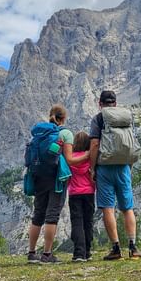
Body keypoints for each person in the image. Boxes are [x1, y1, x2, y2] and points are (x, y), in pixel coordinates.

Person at [27, 104, 89, 264]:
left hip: (38, 178)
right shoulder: (65, 133)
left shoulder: (38, 134)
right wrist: (88, 155)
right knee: (52, 215)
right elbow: (70, 160)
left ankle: (31, 253)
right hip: (56, 180)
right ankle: (47, 254)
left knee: (37, 214)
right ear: (64, 118)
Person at [89, 91, 141, 260]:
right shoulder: (126, 117)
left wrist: (92, 168)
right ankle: (133, 247)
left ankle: (116, 248)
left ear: (100, 103)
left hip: (105, 168)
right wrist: (129, 164)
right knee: (127, 208)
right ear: (115, 103)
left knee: (108, 208)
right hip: (123, 167)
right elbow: (131, 143)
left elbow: (95, 144)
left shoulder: (98, 119)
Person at [68, 132, 95, 262]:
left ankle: (79, 253)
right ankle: (88, 252)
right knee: (88, 222)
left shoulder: (71, 158)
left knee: (77, 222)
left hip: (74, 194)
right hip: (89, 193)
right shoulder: (90, 159)